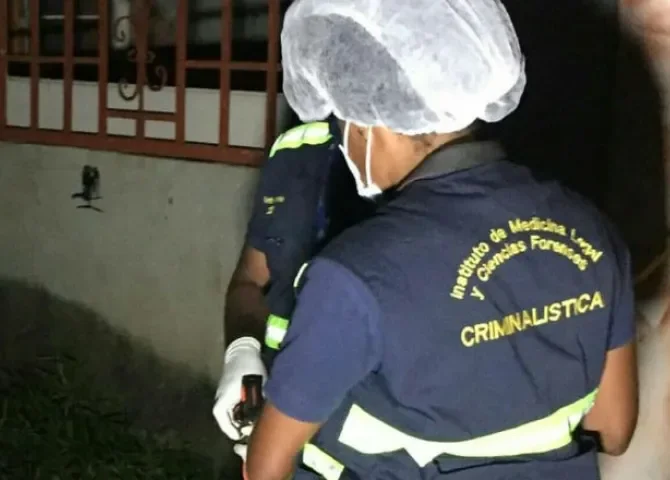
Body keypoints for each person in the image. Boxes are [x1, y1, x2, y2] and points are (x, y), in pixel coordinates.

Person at [241, 0, 640, 479]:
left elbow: (265, 468)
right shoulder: (592, 230)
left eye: (345, 125)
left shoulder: (355, 273)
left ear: (371, 125)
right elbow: (615, 430)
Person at [212, 114, 376, 445]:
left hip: (370, 431)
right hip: (278, 406)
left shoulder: (433, 164)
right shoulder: (295, 149)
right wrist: (242, 351)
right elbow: (251, 277)